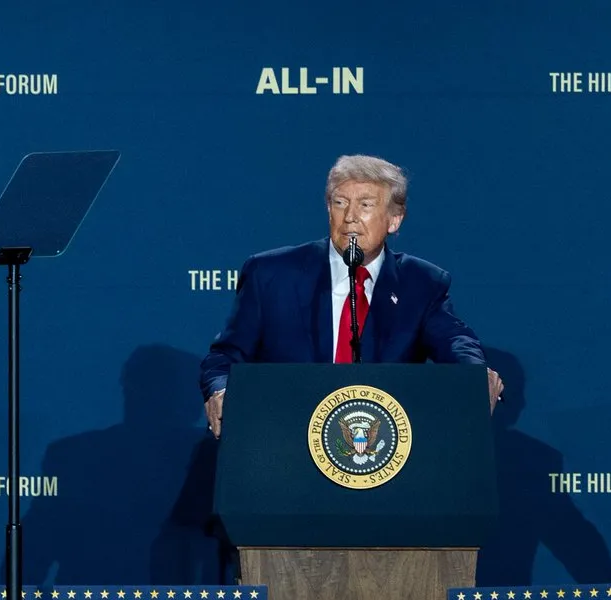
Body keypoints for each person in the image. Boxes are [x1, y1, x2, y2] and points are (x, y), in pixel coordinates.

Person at [199, 154, 504, 437]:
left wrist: (476, 375)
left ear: (394, 219)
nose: (350, 217)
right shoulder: (271, 274)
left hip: (381, 447)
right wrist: (220, 391)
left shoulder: (421, 282)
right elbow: (226, 356)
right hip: (284, 438)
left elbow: (456, 341)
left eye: (366, 205)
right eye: (340, 203)